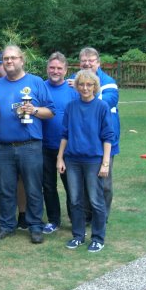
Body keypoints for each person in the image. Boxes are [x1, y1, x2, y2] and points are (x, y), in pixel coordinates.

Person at [0, 45, 55, 244]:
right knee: (5, 189)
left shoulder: (36, 82)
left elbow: (50, 112)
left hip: (30, 146)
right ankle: (7, 225)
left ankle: (35, 226)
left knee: (33, 188)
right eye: (6, 59)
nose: (9, 61)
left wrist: (33, 110)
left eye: (13, 58)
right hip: (3, 146)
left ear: (22, 60)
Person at [57, 69, 114, 253]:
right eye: (81, 84)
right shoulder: (71, 107)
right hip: (72, 160)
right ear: (77, 86)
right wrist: (60, 158)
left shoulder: (102, 107)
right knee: (75, 200)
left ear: (95, 86)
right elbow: (65, 134)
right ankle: (78, 236)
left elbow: (108, 137)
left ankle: (98, 238)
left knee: (96, 200)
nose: (85, 88)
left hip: (93, 161)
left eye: (89, 85)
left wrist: (105, 163)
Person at [69, 47, 120, 220]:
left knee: (104, 183)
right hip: (81, 142)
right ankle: (86, 216)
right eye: (83, 60)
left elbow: (108, 101)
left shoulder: (108, 82)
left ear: (98, 63)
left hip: (105, 142)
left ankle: (102, 218)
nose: (87, 63)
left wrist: (83, 91)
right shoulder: (72, 80)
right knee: (83, 183)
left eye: (91, 60)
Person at [41, 52, 79, 234]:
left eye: (59, 68)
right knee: (48, 186)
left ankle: (75, 220)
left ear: (65, 70)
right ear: (47, 68)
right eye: (52, 67)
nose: (55, 71)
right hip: (44, 145)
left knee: (71, 186)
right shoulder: (40, 87)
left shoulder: (73, 90)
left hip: (68, 148)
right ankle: (53, 220)